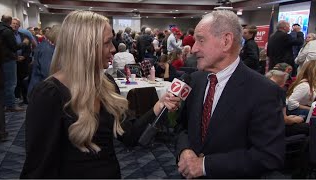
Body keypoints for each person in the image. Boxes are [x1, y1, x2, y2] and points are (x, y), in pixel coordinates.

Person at [20, 10, 180, 179]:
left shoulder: (107, 84)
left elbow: (129, 136)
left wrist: (158, 106)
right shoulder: (49, 94)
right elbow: (38, 168)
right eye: (107, 42)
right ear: (85, 46)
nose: (112, 49)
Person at [176, 11, 284, 178]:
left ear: (226, 41)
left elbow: (268, 156)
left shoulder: (264, 91)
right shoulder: (195, 80)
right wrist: (185, 149)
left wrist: (205, 165)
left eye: (201, 40)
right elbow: (182, 127)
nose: (194, 48)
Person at [266, 66, 308, 136]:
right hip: (274, 130)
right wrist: (296, 119)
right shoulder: (279, 92)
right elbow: (284, 120)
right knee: (308, 127)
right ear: (283, 83)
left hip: (264, 127)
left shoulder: (260, 91)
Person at [28, 25, 61, 95]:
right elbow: (47, 72)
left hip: (39, 86)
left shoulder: (45, 45)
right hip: (42, 88)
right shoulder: (47, 49)